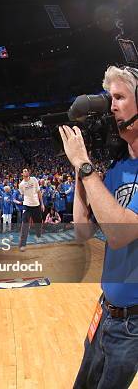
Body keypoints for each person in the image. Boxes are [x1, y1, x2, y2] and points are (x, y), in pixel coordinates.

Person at [61, 65, 138, 389]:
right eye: (110, 98)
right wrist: (81, 171)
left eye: (120, 97)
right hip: (106, 309)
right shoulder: (119, 166)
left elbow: (119, 235)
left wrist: (85, 165)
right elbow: (83, 231)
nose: (112, 106)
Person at [18, 168, 44, 251]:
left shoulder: (34, 179)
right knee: (25, 224)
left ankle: (38, 235)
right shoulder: (21, 185)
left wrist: (42, 203)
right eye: (24, 171)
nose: (26, 171)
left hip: (36, 205)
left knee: (38, 222)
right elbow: (22, 195)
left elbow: (39, 192)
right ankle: (22, 244)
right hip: (27, 206)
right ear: (22, 174)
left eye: (27, 170)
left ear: (29, 172)